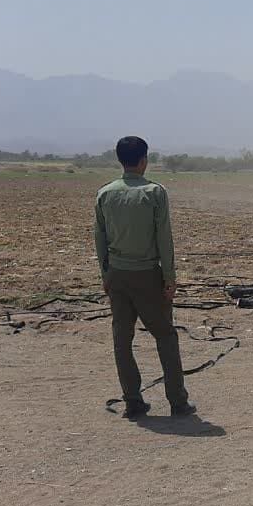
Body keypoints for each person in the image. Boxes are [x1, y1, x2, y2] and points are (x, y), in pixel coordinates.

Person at [94, 136, 196, 419]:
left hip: (117, 275)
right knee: (165, 336)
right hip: (148, 275)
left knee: (122, 340)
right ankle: (178, 401)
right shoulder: (154, 192)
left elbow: (99, 239)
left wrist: (105, 274)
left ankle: (133, 402)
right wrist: (170, 277)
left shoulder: (105, 193)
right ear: (143, 160)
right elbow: (164, 239)